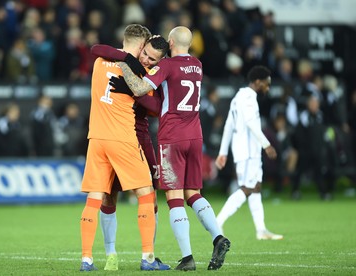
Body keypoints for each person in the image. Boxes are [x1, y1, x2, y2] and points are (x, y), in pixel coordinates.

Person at [112, 26, 230, 271]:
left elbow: (141, 88)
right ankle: (218, 237)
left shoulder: (166, 65)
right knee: (193, 193)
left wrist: (124, 66)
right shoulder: (197, 65)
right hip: (195, 135)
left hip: (172, 136)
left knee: (174, 197)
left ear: (171, 42)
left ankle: (187, 258)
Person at [79, 24, 170, 272]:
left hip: (96, 139)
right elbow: (155, 107)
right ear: (141, 46)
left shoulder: (100, 61)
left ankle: (86, 259)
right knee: (146, 195)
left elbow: (97, 48)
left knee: (95, 197)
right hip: (123, 138)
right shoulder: (138, 71)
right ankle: (148, 258)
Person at [214, 65, 284, 240]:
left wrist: (223, 152)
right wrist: (266, 144)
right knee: (247, 188)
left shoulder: (239, 96)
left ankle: (261, 230)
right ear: (258, 82)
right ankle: (216, 223)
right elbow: (251, 123)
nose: (268, 88)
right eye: (266, 84)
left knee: (256, 188)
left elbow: (229, 125)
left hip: (248, 151)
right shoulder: (248, 98)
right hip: (247, 151)